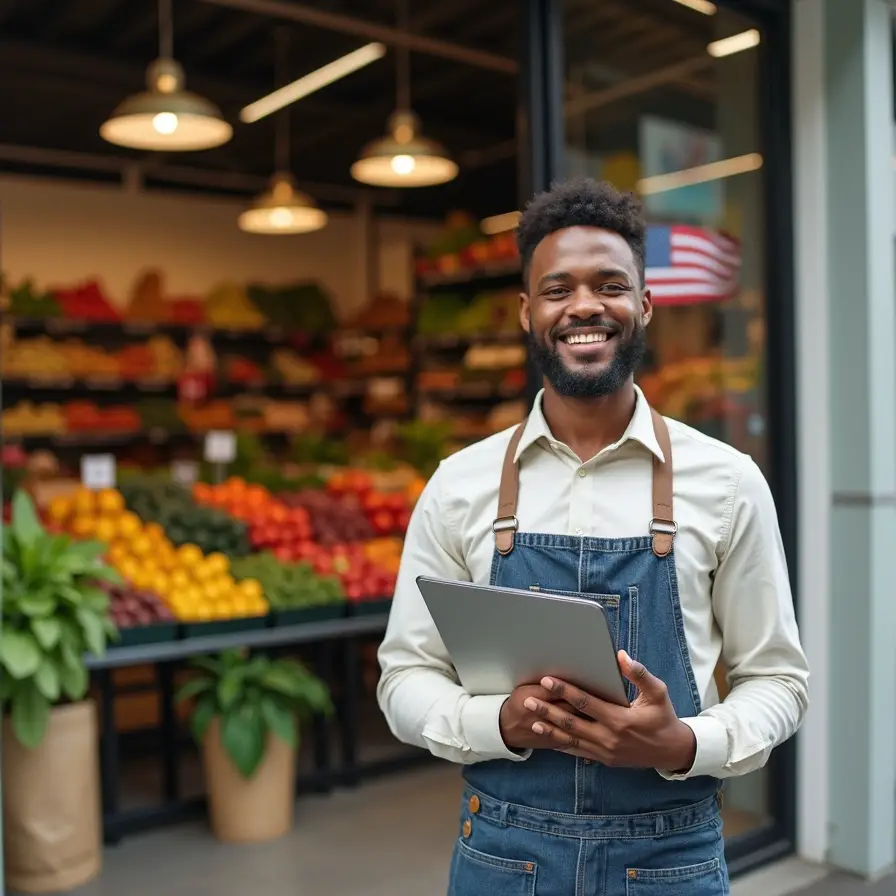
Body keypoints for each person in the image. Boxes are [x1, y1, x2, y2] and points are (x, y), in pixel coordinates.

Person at [377, 177, 809, 896]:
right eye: (558, 289)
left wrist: (685, 743)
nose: (584, 305)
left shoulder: (727, 481)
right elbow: (404, 678)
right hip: (503, 857)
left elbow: (779, 682)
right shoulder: (460, 485)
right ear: (527, 313)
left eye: (610, 285)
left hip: (672, 860)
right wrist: (500, 723)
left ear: (643, 305)